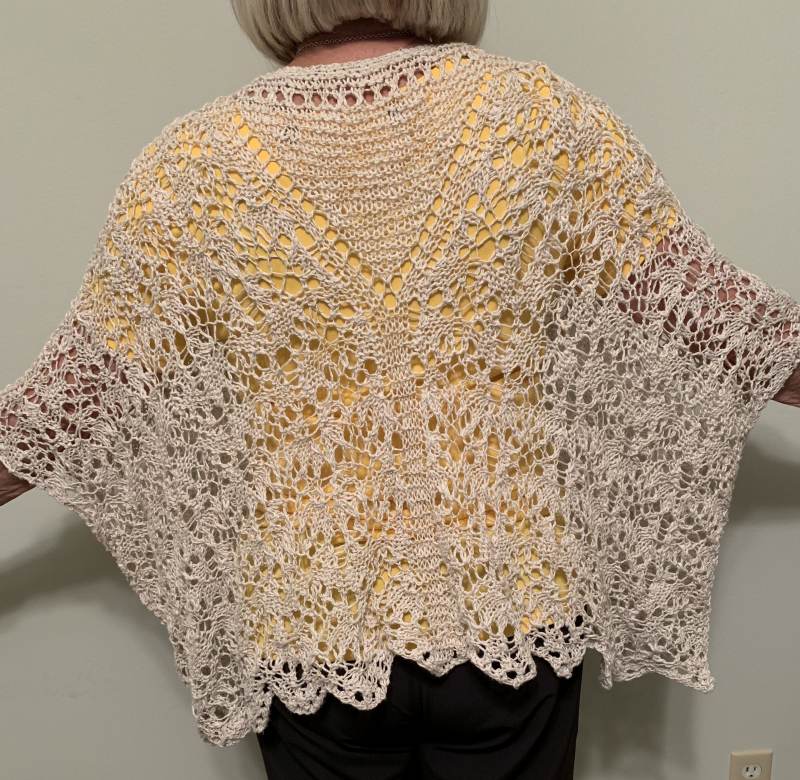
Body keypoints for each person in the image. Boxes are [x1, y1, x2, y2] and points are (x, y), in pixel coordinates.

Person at [2, 2, 799, 779]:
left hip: (310, 625)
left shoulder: (190, 166)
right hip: (512, 606)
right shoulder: (542, 118)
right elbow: (718, 319)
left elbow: (68, 403)